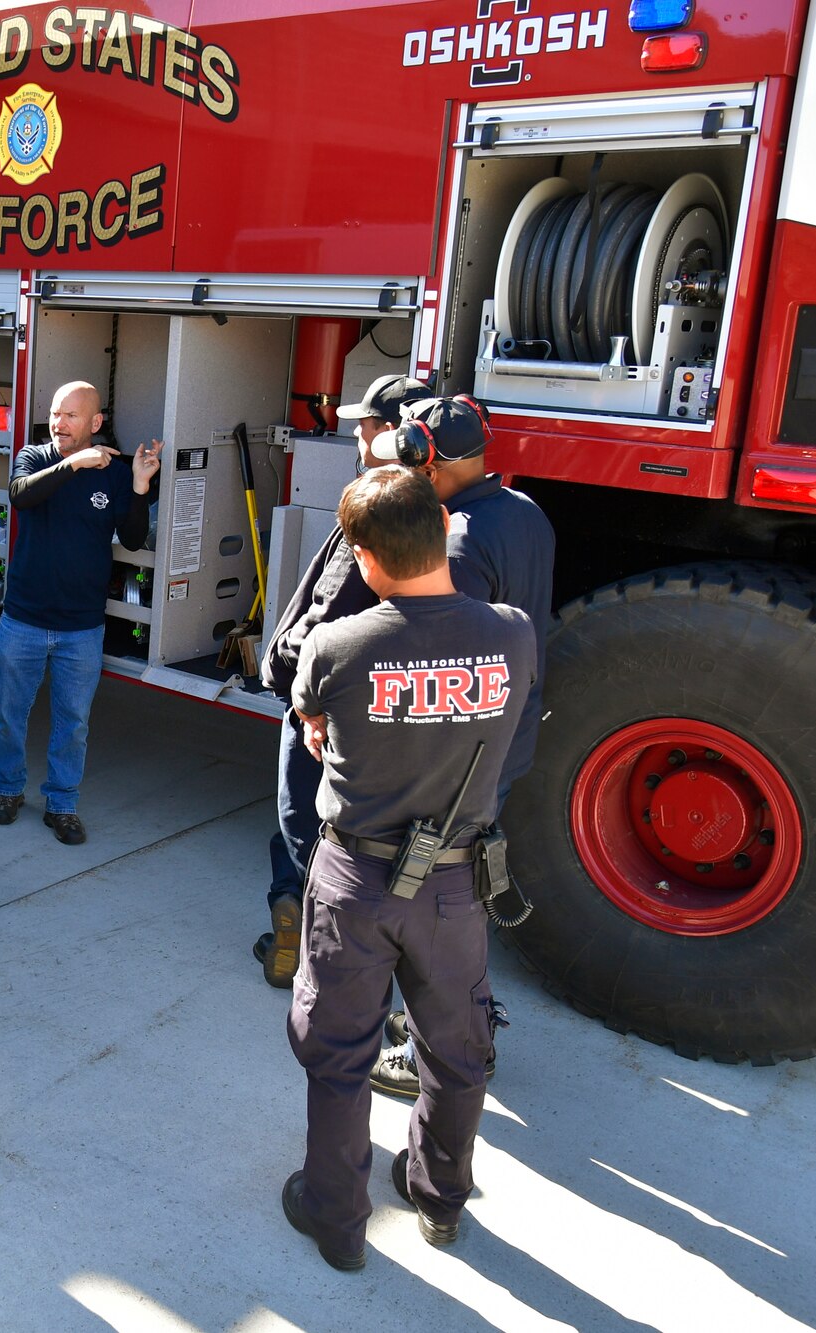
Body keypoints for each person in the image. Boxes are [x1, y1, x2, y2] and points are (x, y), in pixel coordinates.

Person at [281, 464, 536, 1271]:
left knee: (340, 1050)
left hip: (356, 879)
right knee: (458, 1050)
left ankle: (336, 1218)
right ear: (441, 533)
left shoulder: (338, 643)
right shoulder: (513, 631)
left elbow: (310, 716)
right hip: (457, 884)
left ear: (363, 554)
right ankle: (440, 1199)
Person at [360, 395, 554, 1097]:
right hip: (505, 742)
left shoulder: (462, 540)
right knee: (462, 889)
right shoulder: (524, 511)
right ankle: (459, 1018)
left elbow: (442, 659)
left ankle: (441, 1044)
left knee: (431, 904)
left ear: (426, 460)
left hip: (458, 759)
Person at [256, 374, 432, 987]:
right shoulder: (438, 515)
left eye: (363, 423)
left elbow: (326, 612)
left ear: (388, 432)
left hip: (327, 705)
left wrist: (279, 668)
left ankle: (314, 952)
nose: (354, 433)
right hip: (380, 710)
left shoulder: (379, 505)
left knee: (305, 821)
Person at [0, 381, 161, 845]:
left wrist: (140, 486)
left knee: (74, 722)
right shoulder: (34, 457)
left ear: (95, 423)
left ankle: (62, 804)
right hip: (23, 618)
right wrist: (71, 463)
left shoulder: (112, 473)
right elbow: (20, 496)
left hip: (82, 627)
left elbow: (130, 537)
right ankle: (8, 789)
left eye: (71, 416)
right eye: (55, 413)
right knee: (10, 713)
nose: (59, 423)